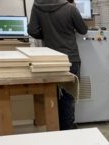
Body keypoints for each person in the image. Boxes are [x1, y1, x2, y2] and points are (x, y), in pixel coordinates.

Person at [28, 0, 88, 130]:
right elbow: (83, 30)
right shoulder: (70, 8)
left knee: (52, 94)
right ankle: (67, 129)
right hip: (70, 57)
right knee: (68, 96)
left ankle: (55, 127)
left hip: (50, 59)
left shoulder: (37, 5)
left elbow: (32, 30)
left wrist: (47, 34)